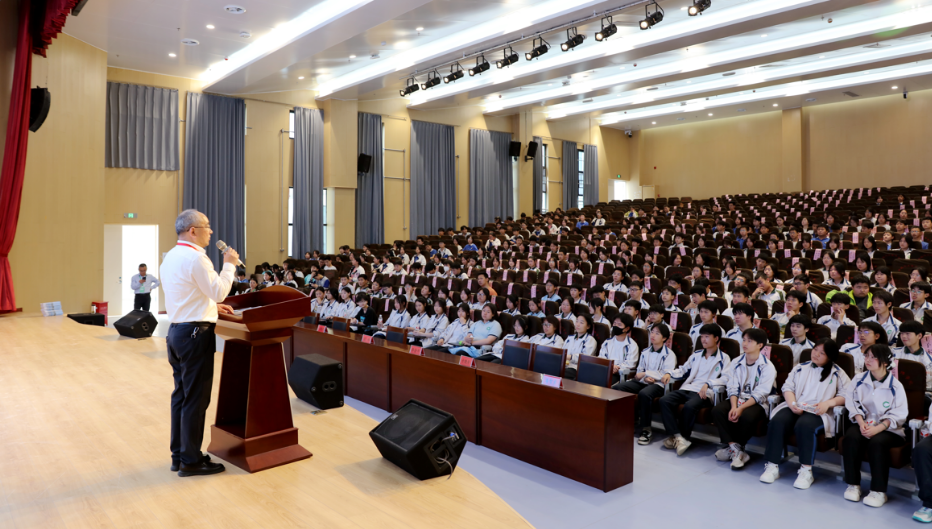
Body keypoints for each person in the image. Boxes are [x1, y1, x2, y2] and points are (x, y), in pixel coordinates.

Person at [160, 209, 235, 477]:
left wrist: (211, 306)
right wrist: (229, 264)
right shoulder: (197, 258)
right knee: (196, 399)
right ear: (193, 230)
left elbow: (187, 293)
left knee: (181, 396)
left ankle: (179, 455)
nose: (211, 231)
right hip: (195, 335)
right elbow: (219, 290)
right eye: (207, 226)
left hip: (177, 332)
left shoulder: (171, 256)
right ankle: (191, 461)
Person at [760, 338, 850, 489]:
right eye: (815, 349)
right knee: (778, 421)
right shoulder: (800, 368)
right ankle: (772, 466)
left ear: (830, 356)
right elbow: (787, 388)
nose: (816, 354)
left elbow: (846, 395)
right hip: (796, 405)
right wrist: (792, 404)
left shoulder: (838, 373)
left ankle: (806, 470)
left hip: (819, 411)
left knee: (805, 425)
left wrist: (828, 404)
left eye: (822, 353)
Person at [842, 344, 908, 508]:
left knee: (877, 442)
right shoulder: (858, 379)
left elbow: (899, 414)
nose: (868, 360)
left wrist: (877, 428)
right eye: (866, 356)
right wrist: (861, 423)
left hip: (889, 429)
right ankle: (853, 484)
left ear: (885, 362)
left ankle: (878, 491)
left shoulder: (896, 386)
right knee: (851, 437)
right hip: (863, 422)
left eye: (873, 357)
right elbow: (851, 403)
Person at [660, 324, 731, 456]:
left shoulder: (724, 358)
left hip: (705, 392)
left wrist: (708, 383)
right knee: (664, 400)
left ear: (716, 338)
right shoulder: (696, 354)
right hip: (689, 387)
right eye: (702, 336)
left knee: (689, 406)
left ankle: (683, 437)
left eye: (707, 337)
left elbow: (726, 378)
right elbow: (683, 370)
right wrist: (669, 373)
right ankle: (678, 437)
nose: (703, 339)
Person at [711, 328, 776, 469]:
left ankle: (734, 449)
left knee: (747, 416)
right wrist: (734, 406)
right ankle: (735, 449)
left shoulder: (768, 367)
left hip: (757, 403)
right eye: (744, 340)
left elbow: (761, 394)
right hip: (738, 398)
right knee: (718, 410)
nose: (745, 343)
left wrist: (741, 409)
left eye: (749, 341)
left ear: (760, 345)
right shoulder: (736, 362)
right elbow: (732, 386)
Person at [614, 324, 676, 446]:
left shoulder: (669, 354)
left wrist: (647, 374)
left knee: (644, 394)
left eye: (657, 333)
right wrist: (644, 377)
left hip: (659, 384)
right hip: (643, 381)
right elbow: (639, 372)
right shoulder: (645, 352)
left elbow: (666, 374)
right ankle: (626, 422)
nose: (653, 335)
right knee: (617, 388)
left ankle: (646, 429)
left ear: (664, 338)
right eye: (652, 332)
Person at [598, 314, 640, 385]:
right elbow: (601, 357)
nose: (615, 326)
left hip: (619, 375)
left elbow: (630, 364)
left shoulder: (632, 345)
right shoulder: (607, 342)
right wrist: (610, 366)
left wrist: (616, 368)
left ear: (627, 328)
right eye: (614, 323)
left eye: (619, 324)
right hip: (605, 370)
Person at [894, 320, 932, 396]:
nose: (903, 336)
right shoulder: (893, 353)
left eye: (907, 333)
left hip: (918, 394)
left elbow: (927, 383)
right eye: (902, 333)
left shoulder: (928, 359)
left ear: (919, 336)